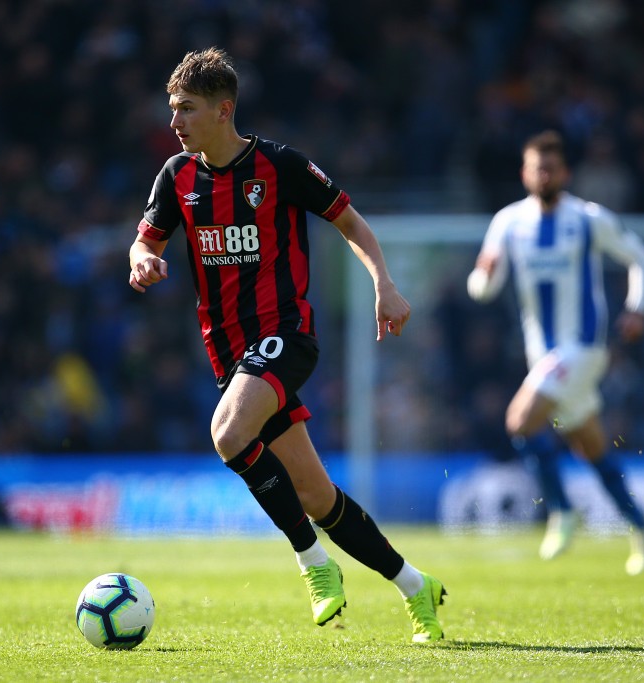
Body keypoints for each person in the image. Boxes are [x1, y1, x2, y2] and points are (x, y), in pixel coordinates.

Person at [128, 48, 445, 642]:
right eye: (173, 108)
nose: (175, 121)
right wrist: (143, 259)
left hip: (285, 334)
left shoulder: (279, 166)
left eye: (187, 109)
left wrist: (385, 285)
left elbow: (350, 221)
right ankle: (414, 586)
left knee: (227, 435)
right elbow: (145, 241)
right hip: (227, 351)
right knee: (316, 494)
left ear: (224, 111)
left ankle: (313, 563)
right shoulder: (177, 176)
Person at [466, 130, 644, 575]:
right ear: (524, 173)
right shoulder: (508, 222)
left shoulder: (588, 219)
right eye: (537, 167)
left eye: (551, 167)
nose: (544, 174)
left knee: (519, 420)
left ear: (566, 172)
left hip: (584, 347)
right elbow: (482, 289)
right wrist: (484, 275)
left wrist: (638, 309)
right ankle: (641, 524)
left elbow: (642, 259)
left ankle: (560, 510)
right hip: (545, 356)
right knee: (590, 447)